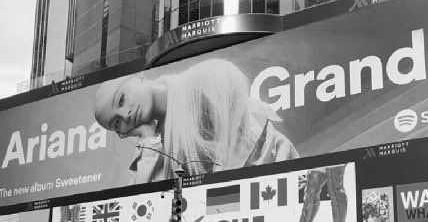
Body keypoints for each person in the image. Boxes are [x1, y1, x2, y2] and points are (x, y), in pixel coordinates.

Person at [92, 58, 298, 184]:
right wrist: (147, 142)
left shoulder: (206, 78)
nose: (126, 114)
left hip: (278, 178)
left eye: (121, 99)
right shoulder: (159, 143)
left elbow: (245, 155)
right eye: (117, 124)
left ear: (138, 77)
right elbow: (147, 208)